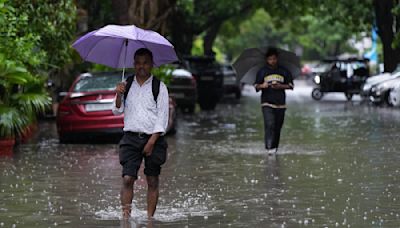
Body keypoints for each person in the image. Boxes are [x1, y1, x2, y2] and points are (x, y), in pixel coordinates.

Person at [112, 48, 169, 219]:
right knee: (128, 178)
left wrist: (152, 141)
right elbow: (116, 111)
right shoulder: (126, 84)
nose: (141, 66)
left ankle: (150, 219)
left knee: (152, 180)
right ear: (133, 64)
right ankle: (126, 218)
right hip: (130, 137)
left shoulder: (159, 87)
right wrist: (118, 95)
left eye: (145, 62)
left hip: (155, 139)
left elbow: (163, 117)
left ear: (151, 64)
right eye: (137, 62)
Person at [254, 47, 294, 155]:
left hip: (280, 104)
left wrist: (280, 86)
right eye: (270, 59)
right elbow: (256, 86)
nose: (272, 61)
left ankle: (275, 147)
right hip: (267, 102)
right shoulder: (262, 71)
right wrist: (263, 85)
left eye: (274, 59)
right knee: (269, 124)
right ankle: (269, 148)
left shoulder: (284, 71)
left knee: (277, 126)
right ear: (266, 60)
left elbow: (291, 86)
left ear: (277, 59)